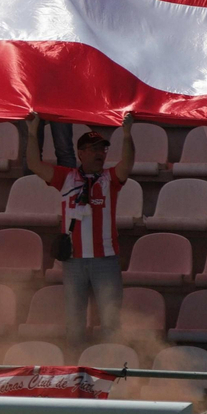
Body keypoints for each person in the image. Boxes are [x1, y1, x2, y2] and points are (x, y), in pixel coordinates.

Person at [24, 112, 135, 349]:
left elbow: (127, 164)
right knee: (74, 323)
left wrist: (127, 136)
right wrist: (32, 133)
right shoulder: (66, 177)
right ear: (81, 153)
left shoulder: (110, 178)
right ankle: (75, 366)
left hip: (106, 259)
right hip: (74, 261)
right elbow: (34, 164)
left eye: (103, 149)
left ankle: (110, 365)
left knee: (111, 322)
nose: (99, 153)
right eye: (94, 149)